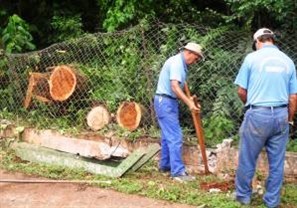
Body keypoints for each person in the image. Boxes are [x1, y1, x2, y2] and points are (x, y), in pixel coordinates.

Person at [234, 28, 297, 207]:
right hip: (281, 115)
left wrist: (251, 104)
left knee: (247, 157)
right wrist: (289, 118)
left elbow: (241, 90)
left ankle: (243, 197)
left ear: (257, 42)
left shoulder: (251, 58)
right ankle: (272, 201)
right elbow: (293, 97)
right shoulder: (288, 61)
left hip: (257, 114)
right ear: (272, 40)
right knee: (276, 162)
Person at [154, 42, 204, 182]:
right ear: (188, 53)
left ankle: (165, 165)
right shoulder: (177, 63)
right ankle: (178, 172)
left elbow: (180, 88)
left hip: (167, 101)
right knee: (175, 136)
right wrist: (189, 103)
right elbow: (175, 87)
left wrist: (190, 99)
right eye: (196, 58)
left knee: (167, 136)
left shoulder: (180, 64)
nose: (196, 61)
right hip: (165, 102)